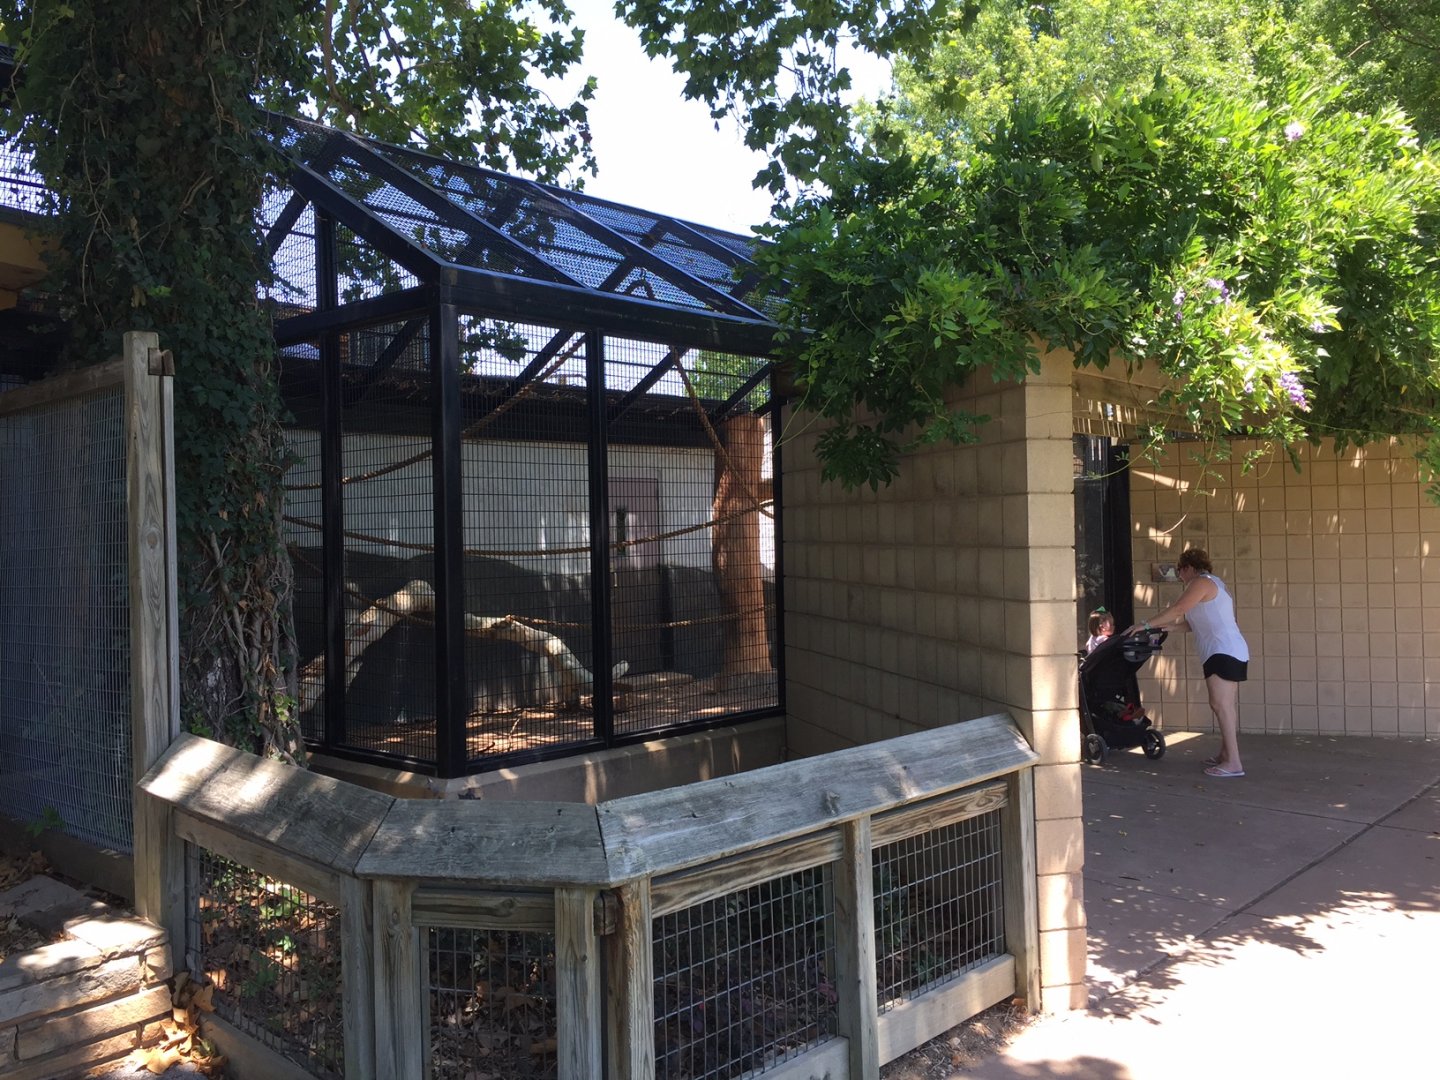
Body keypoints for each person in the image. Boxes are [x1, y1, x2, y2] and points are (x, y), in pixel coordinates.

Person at [1124, 548, 1249, 778]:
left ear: (1189, 567)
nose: (1179, 575)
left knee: (1220, 704)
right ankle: (1226, 754)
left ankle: (1233, 762)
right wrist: (1170, 627)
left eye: (1180, 570)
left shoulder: (1201, 582)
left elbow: (1178, 609)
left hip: (1222, 650)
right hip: (1228, 649)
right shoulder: (1214, 583)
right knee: (1225, 706)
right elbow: (1196, 622)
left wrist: (1146, 624)